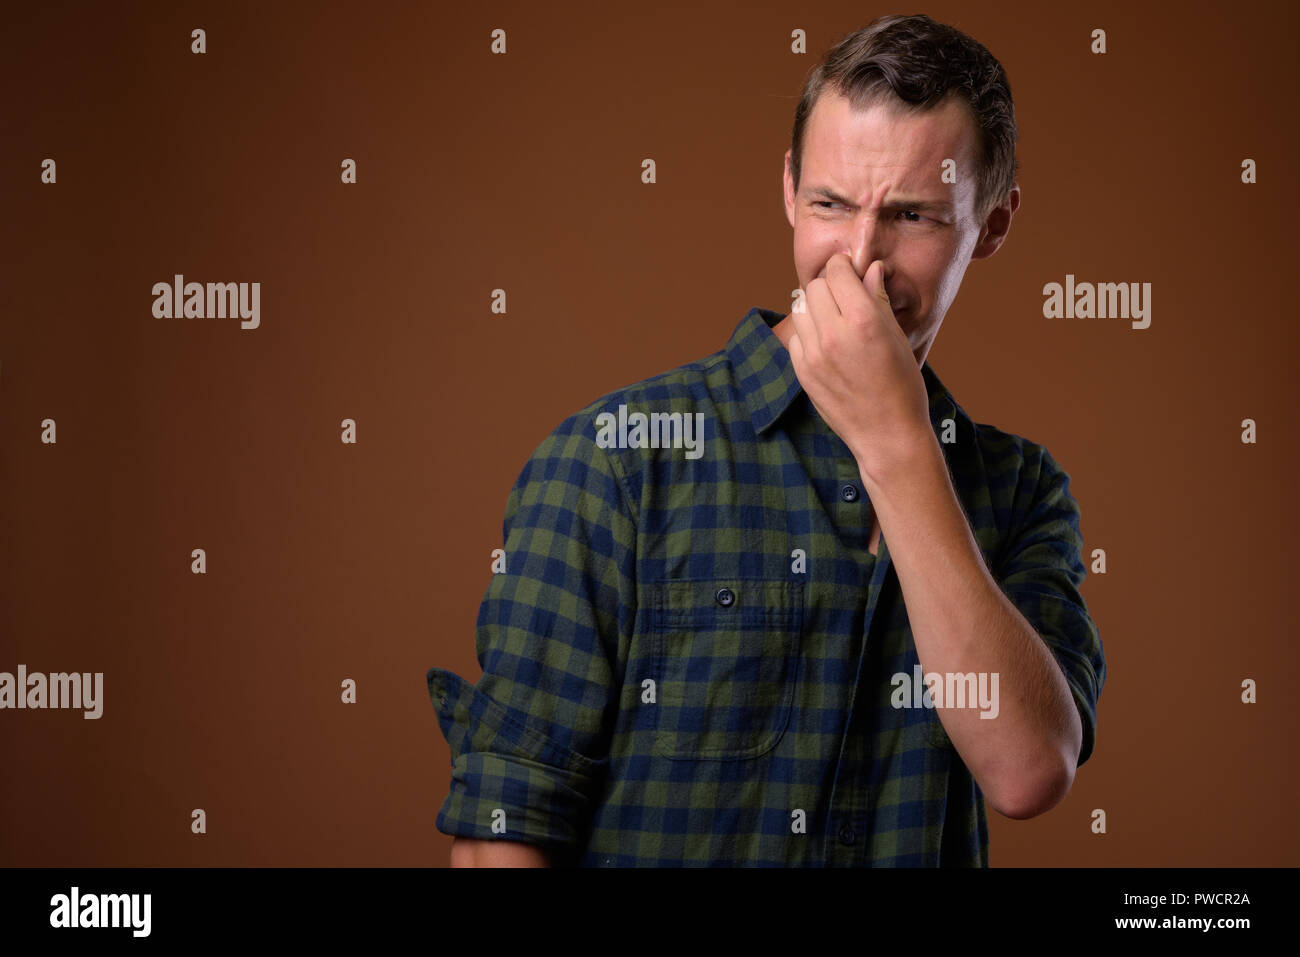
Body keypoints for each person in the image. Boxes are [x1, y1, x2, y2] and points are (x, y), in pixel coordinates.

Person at [427, 13, 1105, 867]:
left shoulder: (1020, 489)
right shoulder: (616, 459)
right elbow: (502, 830)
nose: (860, 260)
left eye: (915, 216)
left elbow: (1028, 769)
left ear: (993, 224)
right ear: (788, 189)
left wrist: (896, 441)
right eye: (830, 204)